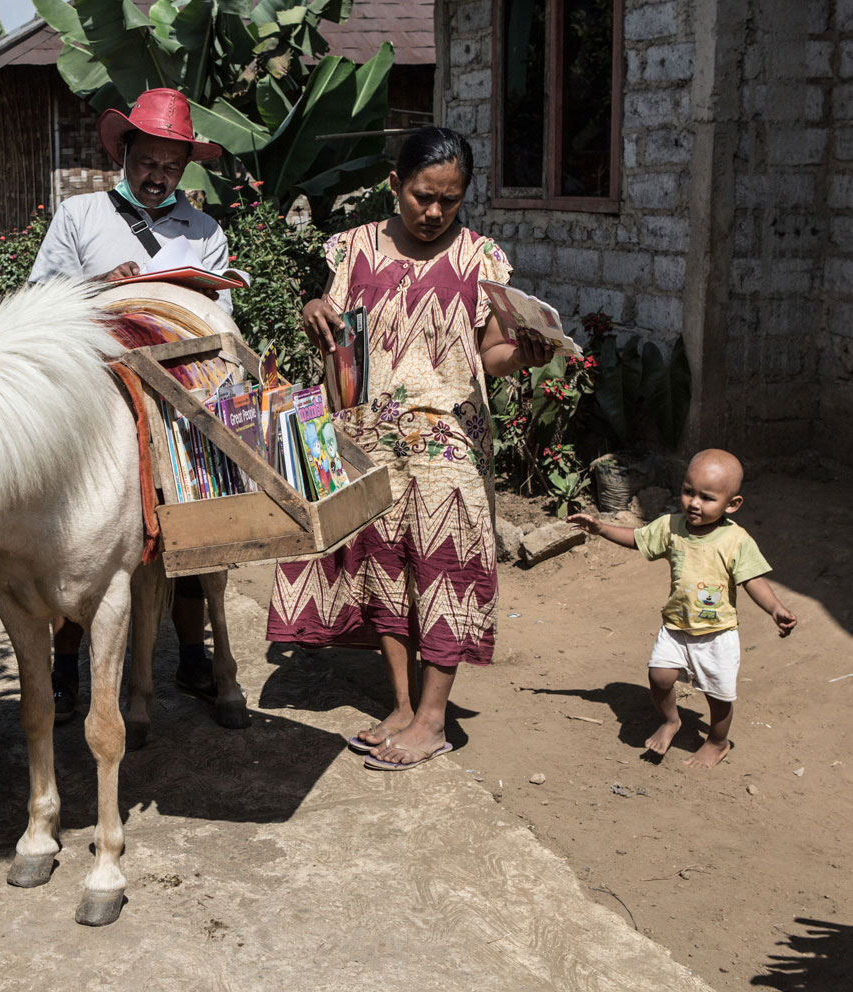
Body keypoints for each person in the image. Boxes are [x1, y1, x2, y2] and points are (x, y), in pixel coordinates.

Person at [267, 125, 552, 770]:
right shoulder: (354, 248)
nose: (434, 212)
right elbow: (332, 328)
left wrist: (524, 355)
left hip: (448, 443)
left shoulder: (482, 260)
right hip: (368, 438)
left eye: (450, 200)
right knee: (384, 567)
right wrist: (313, 309)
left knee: (446, 567)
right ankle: (400, 704)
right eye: (423, 196)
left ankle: (433, 719)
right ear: (395, 185)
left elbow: (491, 354)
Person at [27, 87, 229, 721]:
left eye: (171, 166)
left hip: (178, 398)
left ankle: (191, 657)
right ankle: (65, 672)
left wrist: (190, 300)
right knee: (78, 538)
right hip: (95, 402)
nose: (157, 176)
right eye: (146, 162)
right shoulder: (79, 215)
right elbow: (38, 299)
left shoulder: (205, 230)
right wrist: (97, 287)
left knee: (192, 530)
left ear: (185, 168)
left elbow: (221, 319)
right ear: (124, 154)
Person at [567, 449, 796, 768]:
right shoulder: (671, 526)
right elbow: (638, 539)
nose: (694, 503)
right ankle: (671, 720)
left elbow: (753, 580)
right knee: (659, 677)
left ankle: (717, 742)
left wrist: (775, 609)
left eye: (707, 498)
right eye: (689, 491)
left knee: (718, 696)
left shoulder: (736, 540)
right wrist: (601, 528)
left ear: (732, 504)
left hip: (717, 635)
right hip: (676, 626)